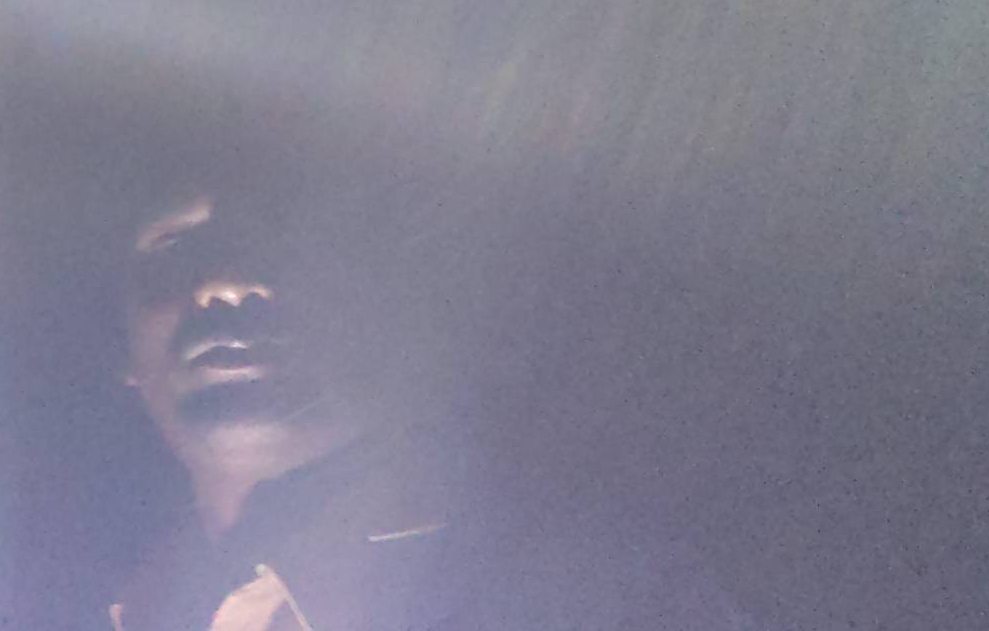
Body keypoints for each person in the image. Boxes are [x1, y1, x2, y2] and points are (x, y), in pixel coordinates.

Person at [104, 158, 760, 631]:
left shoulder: (603, 592)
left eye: (281, 241)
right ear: (121, 347)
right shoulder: (130, 605)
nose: (224, 280)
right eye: (175, 247)